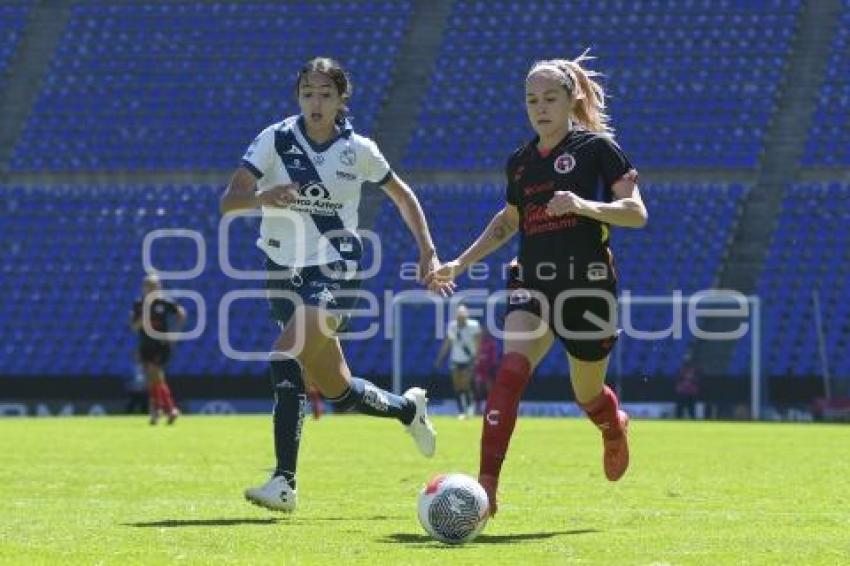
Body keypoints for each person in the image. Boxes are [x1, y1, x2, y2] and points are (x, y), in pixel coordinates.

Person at [220, 57, 449, 513]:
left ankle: (284, 481)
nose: (315, 102)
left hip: (336, 269)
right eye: (308, 93)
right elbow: (230, 201)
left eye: (325, 94)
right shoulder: (275, 140)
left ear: (342, 98)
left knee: (283, 355)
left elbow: (404, 196)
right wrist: (262, 197)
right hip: (281, 271)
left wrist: (427, 250)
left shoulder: (358, 150)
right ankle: (409, 410)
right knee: (338, 389)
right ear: (297, 96)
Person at [427, 51, 648, 515]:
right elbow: (508, 223)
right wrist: (458, 263)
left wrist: (585, 206)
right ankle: (486, 489)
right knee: (509, 374)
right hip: (531, 282)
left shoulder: (598, 150)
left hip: (587, 288)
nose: (540, 107)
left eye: (550, 98)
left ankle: (611, 425)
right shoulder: (521, 162)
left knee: (586, 393)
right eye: (532, 100)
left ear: (572, 100)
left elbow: (636, 214)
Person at [130, 273, 186, 425]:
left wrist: (174, 333)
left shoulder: (163, 303)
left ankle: (165, 409)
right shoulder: (139, 305)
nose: (150, 289)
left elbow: (181, 313)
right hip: (145, 345)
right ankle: (161, 410)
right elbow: (134, 327)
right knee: (152, 380)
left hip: (160, 345)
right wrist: (142, 318)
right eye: (148, 286)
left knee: (156, 374)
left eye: (153, 286)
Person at [434, 305, 481, 418]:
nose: (461, 318)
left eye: (463, 316)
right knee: (457, 385)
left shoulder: (474, 326)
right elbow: (447, 343)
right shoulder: (452, 326)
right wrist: (440, 359)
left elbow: (478, 343)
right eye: (459, 316)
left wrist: (476, 358)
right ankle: (461, 411)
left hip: (469, 359)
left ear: (467, 316)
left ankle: (470, 407)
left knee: (465, 383)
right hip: (455, 359)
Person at [474, 327, 499, 415]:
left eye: (485, 332)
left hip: (488, 370)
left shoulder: (492, 344)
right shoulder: (477, 344)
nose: (484, 333)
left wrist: (491, 370)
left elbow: (493, 359)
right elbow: (475, 356)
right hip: (479, 370)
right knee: (478, 389)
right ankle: (478, 409)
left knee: (490, 390)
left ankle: (491, 409)